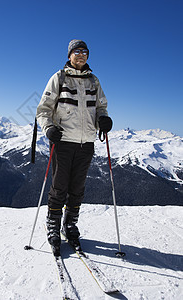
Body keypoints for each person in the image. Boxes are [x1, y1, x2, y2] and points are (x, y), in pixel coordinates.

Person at [36, 39, 113, 255]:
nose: (81, 55)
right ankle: (53, 224)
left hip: (86, 142)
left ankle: (70, 225)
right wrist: (49, 128)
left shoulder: (94, 81)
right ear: (69, 55)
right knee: (59, 186)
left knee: (77, 188)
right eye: (77, 51)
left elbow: (101, 108)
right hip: (63, 141)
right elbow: (43, 109)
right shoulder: (59, 78)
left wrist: (104, 120)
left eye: (85, 51)